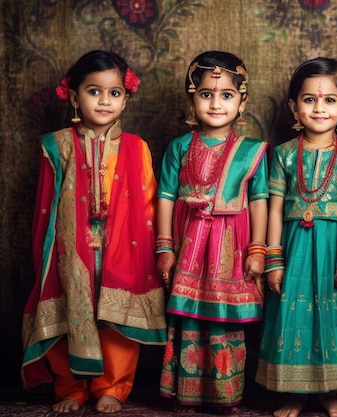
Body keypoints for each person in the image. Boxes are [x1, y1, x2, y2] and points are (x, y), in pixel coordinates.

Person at [21, 50, 166, 414]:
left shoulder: (136, 147)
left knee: (115, 318)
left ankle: (113, 387)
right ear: (73, 96)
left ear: (126, 97)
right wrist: (49, 252)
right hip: (70, 248)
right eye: (94, 91)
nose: (104, 100)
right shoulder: (57, 145)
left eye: (114, 93)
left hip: (124, 246)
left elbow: (148, 203)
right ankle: (70, 387)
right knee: (71, 309)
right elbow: (46, 205)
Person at [156, 51, 268, 414]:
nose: (216, 103)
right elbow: (166, 199)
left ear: (242, 100)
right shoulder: (179, 147)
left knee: (225, 320)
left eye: (226, 95)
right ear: (192, 98)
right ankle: (185, 395)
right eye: (206, 94)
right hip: (189, 248)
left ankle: (226, 396)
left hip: (230, 250)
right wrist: (165, 247)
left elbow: (259, 203)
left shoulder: (251, 152)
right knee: (187, 316)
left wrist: (258, 250)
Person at [255, 57, 337, 417]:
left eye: (330, 100)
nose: (319, 108)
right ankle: (295, 392)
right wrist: (274, 259)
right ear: (293, 106)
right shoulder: (284, 154)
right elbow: (274, 209)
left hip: (336, 247)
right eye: (309, 100)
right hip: (294, 246)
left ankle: (330, 393)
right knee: (293, 313)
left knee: (334, 315)